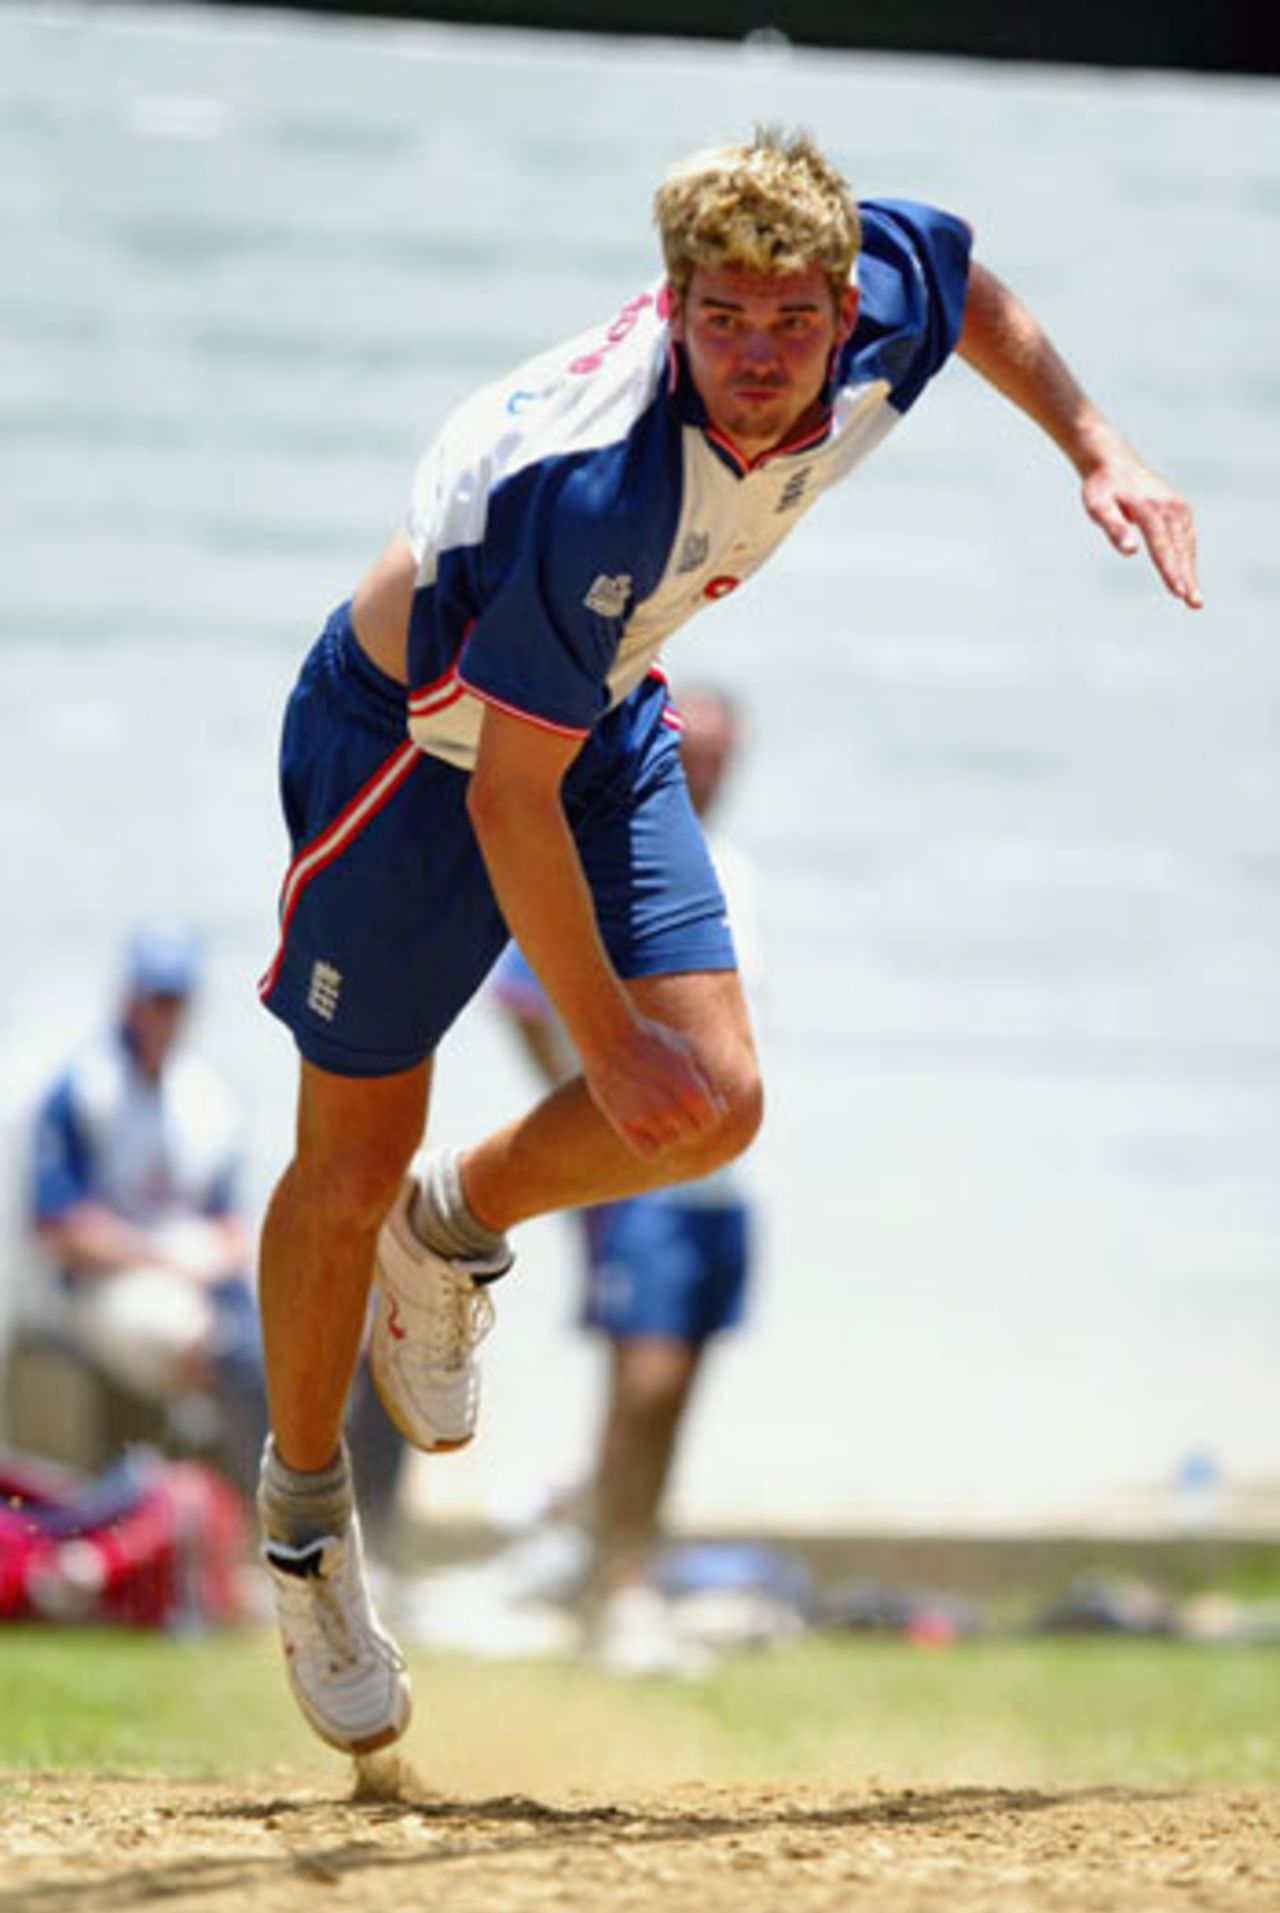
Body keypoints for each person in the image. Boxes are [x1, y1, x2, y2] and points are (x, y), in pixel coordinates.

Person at [253, 127, 1200, 1756]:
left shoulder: (884, 295)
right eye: (720, 317)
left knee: (719, 1094)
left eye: (787, 318)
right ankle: (305, 1528)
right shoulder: (599, 484)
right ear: (674, 307)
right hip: (416, 746)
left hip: (588, 699)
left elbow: (968, 282)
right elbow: (505, 802)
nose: (757, 357)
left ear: (843, 309)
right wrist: (601, 1040)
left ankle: (453, 1225)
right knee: (348, 1158)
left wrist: (1097, 445)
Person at [489, 684, 759, 1675]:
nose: (707, 771)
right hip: (643, 1172)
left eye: (724, 756)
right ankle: (615, 1584)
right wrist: (589, 1110)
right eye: (695, 752)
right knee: (638, 1379)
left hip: (719, 1184)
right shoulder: (622, 852)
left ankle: (629, 1561)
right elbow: (518, 990)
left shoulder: (729, 867)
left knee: (677, 1381)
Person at [26, 921, 266, 1499]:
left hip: (192, 1272)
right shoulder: (84, 1087)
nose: (165, 1015)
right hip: (104, 1283)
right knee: (209, 1347)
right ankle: (262, 1509)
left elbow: (228, 1222)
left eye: (176, 1002)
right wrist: (165, 1258)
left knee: (278, 1338)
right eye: (156, 999)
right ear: (130, 999)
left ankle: (278, 1499)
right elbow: (58, 1226)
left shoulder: (203, 1099)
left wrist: (218, 1258)